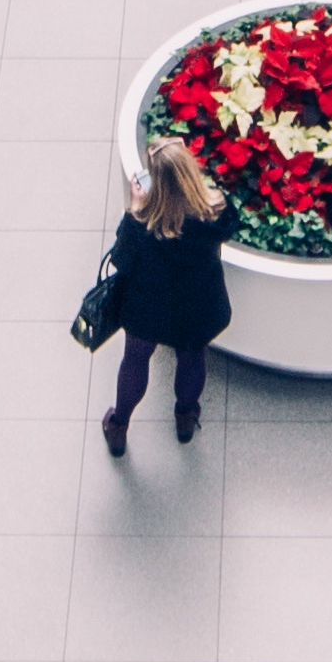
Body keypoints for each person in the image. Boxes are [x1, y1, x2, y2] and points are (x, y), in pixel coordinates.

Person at [102, 137, 239, 453]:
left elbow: (121, 260)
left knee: (135, 359)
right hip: (197, 305)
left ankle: (119, 426)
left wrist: (136, 206)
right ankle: (185, 419)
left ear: (156, 184)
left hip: (146, 306)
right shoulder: (214, 211)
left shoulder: (142, 223)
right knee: (192, 357)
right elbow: (231, 226)